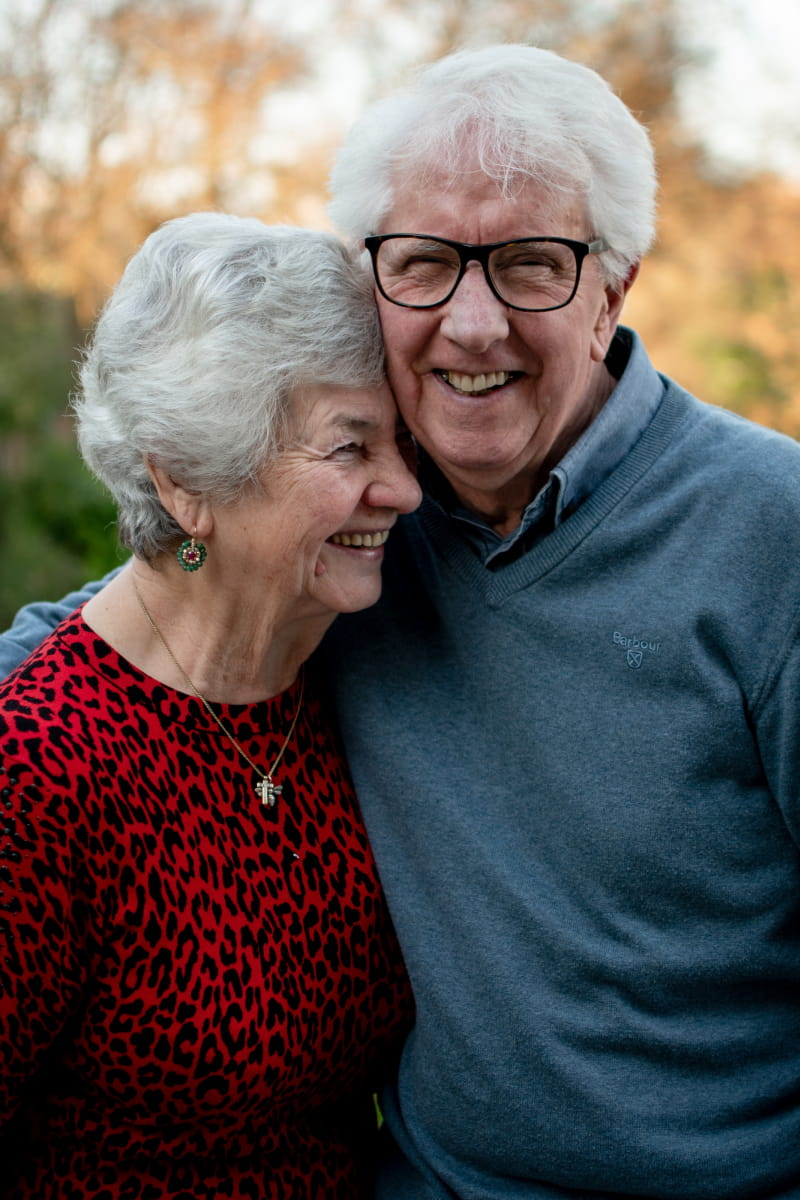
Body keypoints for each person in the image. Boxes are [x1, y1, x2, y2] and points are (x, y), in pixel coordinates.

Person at [3, 42, 800, 1200]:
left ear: (613, 287)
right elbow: (176, 584)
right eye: (425, 263)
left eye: (532, 264)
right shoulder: (362, 537)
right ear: (381, 279)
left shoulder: (765, 537)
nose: (471, 326)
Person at [0, 211, 421, 1199]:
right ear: (186, 482)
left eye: (397, 442)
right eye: (349, 448)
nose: (402, 488)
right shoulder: (37, 769)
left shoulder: (336, 673)